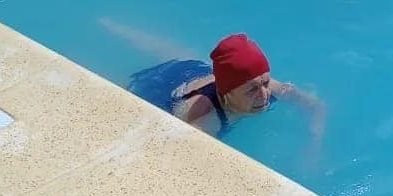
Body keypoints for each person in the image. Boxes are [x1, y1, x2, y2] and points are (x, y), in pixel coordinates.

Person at [127, 33, 325, 140]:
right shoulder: (203, 117)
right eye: (252, 89)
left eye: (265, 82)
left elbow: (317, 106)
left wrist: (314, 141)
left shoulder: (268, 87)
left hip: (197, 70)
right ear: (226, 94)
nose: (264, 95)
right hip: (159, 91)